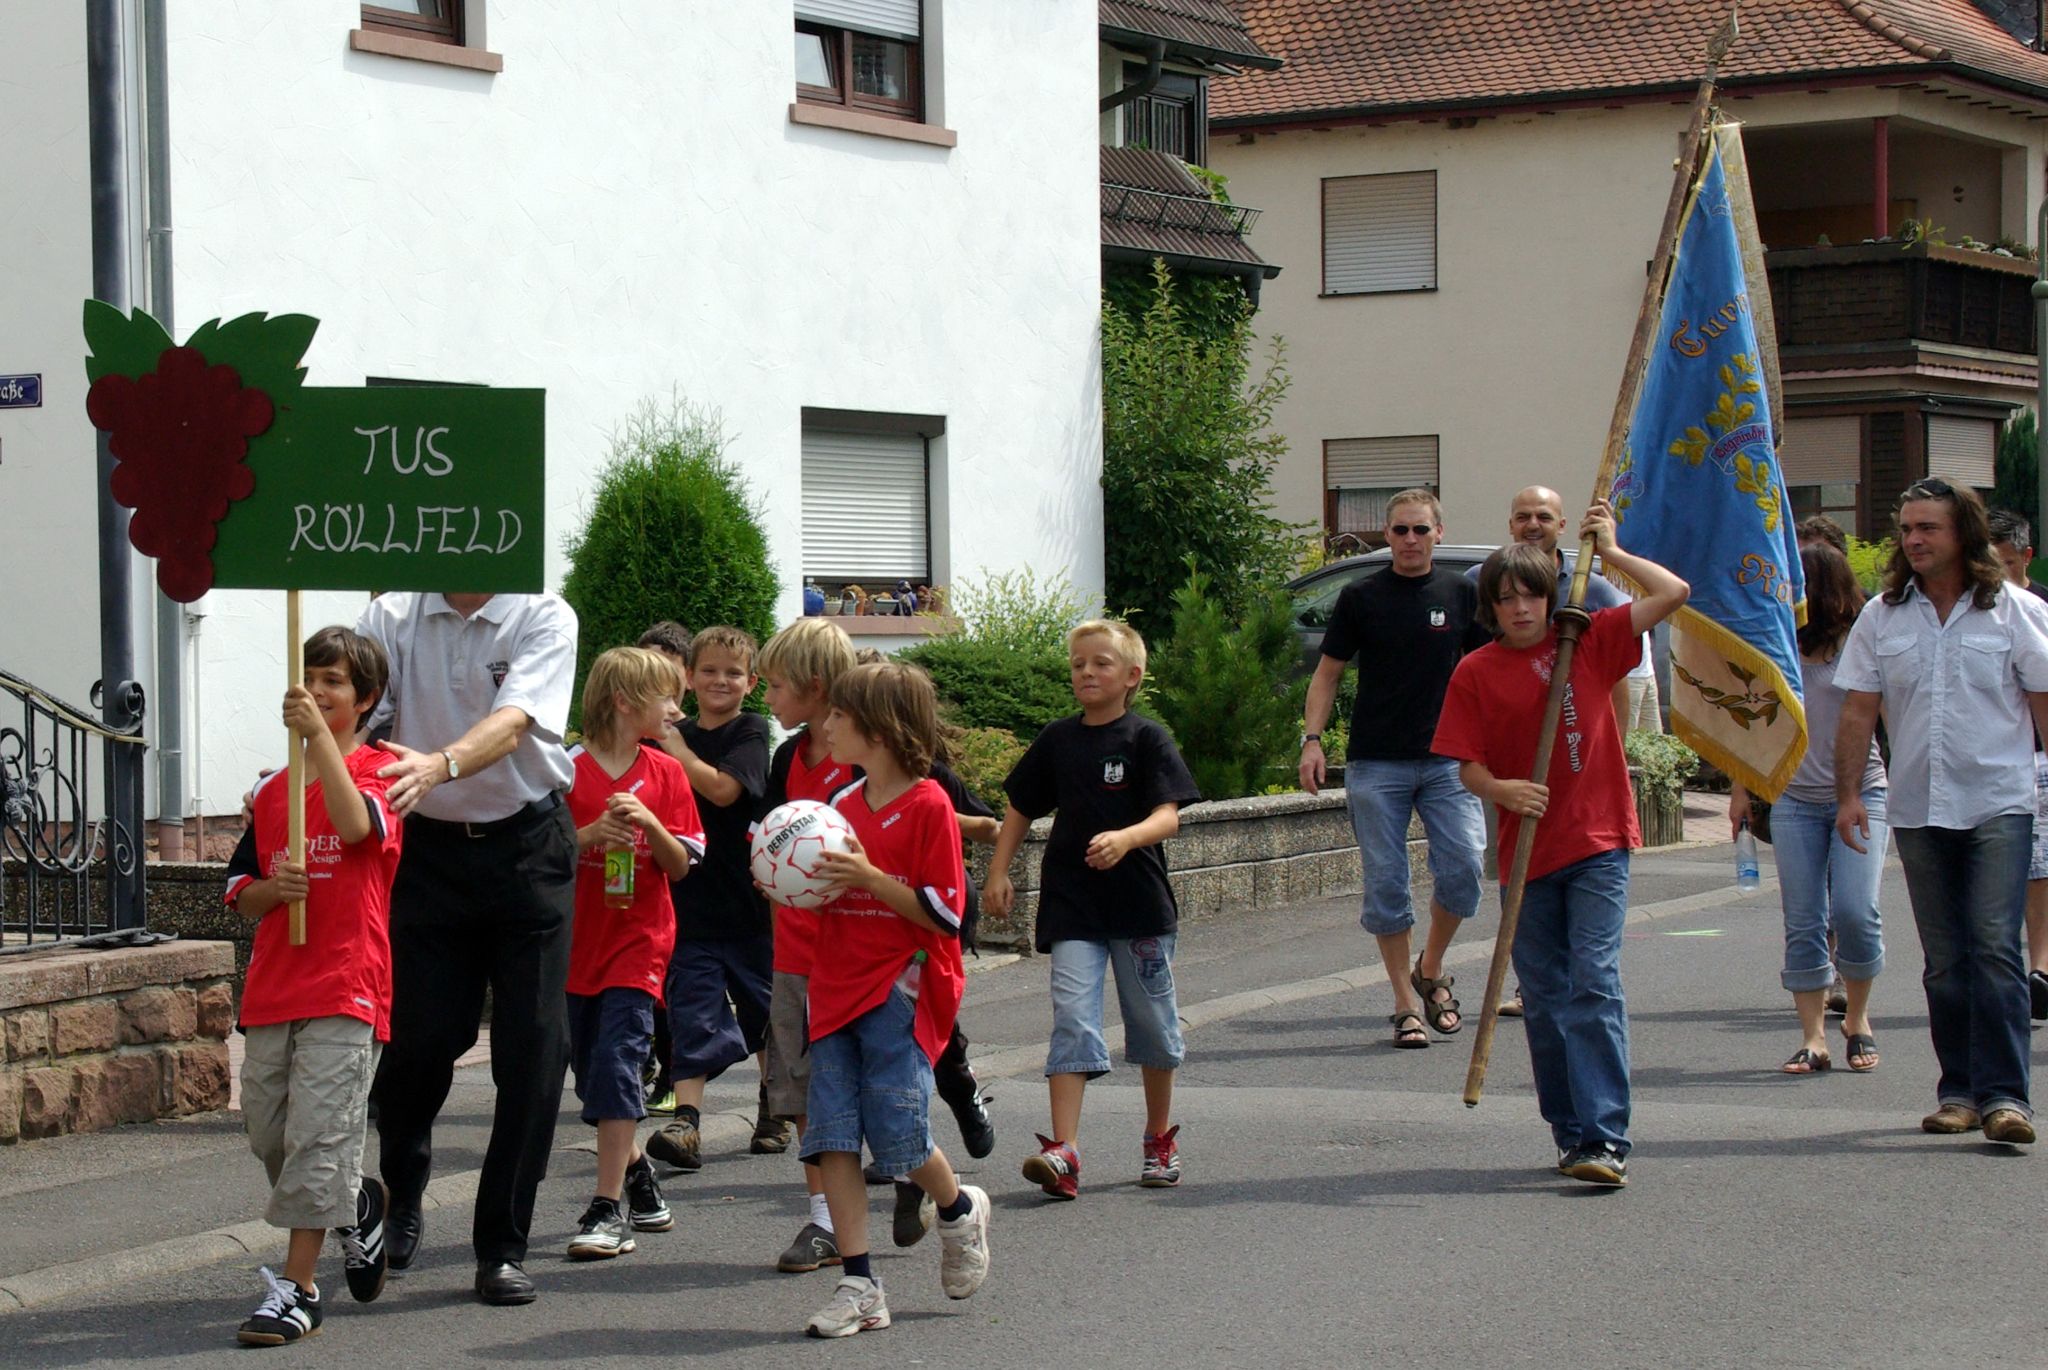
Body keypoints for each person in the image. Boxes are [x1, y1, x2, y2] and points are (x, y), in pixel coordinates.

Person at [1433, 500, 1689, 1187]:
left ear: (1551, 597)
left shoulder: (1588, 640)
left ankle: (1607, 1137)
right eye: (1506, 599)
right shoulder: (1476, 672)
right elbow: (1464, 764)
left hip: (1599, 839)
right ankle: (1571, 1133)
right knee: (1544, 998)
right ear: (1490, 607)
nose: (1520, 609)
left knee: (1593, 983)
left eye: (1530, 596)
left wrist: (1612, 551)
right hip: (1525, 855)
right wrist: (1504, 791)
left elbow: (1673, 594)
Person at [357, 589, 578, 1307]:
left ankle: (502, 1246)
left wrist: (440, 764)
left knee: (534, 1050)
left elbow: (515, 722)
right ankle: (404, 1184)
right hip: (428, 858)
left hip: (527, 848)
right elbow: (356, 718)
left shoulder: (543, 614)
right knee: (419, 1042)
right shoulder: (390, 617)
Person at [1835, 480, 2048, 1144]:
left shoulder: (2014, 610)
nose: (1914, 540)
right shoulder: (1882, 614)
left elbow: (2043, 705)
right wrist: (1848, 795)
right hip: (1920, 805)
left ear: (1963, 533)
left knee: (1993, 948)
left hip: (1999, 802)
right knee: (1946, 958)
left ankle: (2006, 1099)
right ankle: (1957, 1091)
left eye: (1928, 527)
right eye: (1906, 529)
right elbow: (1857, 711)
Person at [801, 660, 990, 1338]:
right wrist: (789, 875)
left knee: (899, 1134)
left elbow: (944, 912)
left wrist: (869, 878)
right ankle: (860, 1283)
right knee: (830, 1142)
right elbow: (825, 892)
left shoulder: (930, 803)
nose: (826, 726)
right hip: (832, 990)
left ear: (877, 729)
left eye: (839, 717)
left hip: (900, 989)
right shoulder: (841, 806)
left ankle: (959, 1208)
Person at [226, 627, 403, 1345]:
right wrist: (274, 888)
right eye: (312, 677)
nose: (320, 691)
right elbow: (239, 890)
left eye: (335, 682)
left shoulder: (382, 772)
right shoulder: (270, 790)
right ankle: (354, 1203)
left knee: (318, 1136)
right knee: (273, 1135)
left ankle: (297, 1288)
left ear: (365, 699)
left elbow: (359, 825)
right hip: (275, 987)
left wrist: (320, 742)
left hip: (346, 984)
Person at [985, 620, 1202, 1200]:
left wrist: (1127, 838)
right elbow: (1019, 808)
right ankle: (1064, 1151)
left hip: (1140, 910)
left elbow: (1169, 816)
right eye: (1079, 663)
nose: (1086, 672)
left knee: (1154, 1026)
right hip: (1072, 906)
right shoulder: (1058, 739)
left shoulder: (1146, 739)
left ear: (1131, 676)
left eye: (1101, 663)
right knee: (1073, 1020)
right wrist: (999, 871)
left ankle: (1159, 1138)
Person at [1300, 488, 1491, 1048]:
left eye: (1421, 530)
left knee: (1463, 868)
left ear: (1439, 532)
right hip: (1376, 762)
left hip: (1447, 761)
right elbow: (1327, 673)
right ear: (1386, 535)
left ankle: (1430, 967)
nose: (1411, 540)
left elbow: (1487, 672)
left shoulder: (1461, 594)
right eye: (1401, 530)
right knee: (1387, 884)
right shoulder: (1362, 596)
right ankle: (1405, 1002)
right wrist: (1313, 741)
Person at [563, 647, 703, 1258]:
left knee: (621, 1065)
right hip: (573, 948)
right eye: (667, 697)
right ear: (624, 701)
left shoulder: (666, 773)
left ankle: (604, 1209)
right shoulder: (564, 769)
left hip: (639, 945)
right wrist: (589, 835)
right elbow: (538, 858)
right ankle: (639, 1176)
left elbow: (682, 866)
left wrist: (651, 824)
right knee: (592, 1078)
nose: (678, 708)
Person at [1475, 485, 1635, 1018]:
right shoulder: (1487, 581)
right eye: (1522, 516)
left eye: (1544, 515)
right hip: (1522, 803)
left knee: (1594, 977)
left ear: (1563, 524)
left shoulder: (1592, 589)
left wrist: (1609, 747)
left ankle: (1601, 1103)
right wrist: (1495, 782)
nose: (1532, 524)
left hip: (1588, 809)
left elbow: (1617, 680)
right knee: (1546, 978)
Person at [1727, 543, 1887, 1074]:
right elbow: (1749, 723)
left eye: (1799, 583)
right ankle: (1813, 1036)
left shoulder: (1859, 642)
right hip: (1794, 798)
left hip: (1862, 794)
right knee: (1804, 919)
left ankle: (1858, 1019)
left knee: (1855, 911)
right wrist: (1742, 790)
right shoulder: (1777, 644)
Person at [642, 627, 778, 1171]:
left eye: (733, 673)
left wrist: (676, 747)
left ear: (752, 682)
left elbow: (724, 790)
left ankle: (774, 1109)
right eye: (710, 671)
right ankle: (687, 1122)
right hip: (688, 900)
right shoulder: (673, 731)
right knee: (691, 1010)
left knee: (763, 1012)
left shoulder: (751, 729)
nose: (721, 681)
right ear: (689, 678)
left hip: (748, 902)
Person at [756, 617, 862, 1275]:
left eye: (775, 686)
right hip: (793, 950)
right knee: (795, 1086)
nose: (766, 698)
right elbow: (771, 835)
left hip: (857, 954)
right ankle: (823, 1220)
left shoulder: (863, 756)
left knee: (863, 1081)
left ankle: (917, 1171)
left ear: (815, 687)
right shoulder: (785, 759)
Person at [1989, 509, 2048, 1022]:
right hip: (1996, 761)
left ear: (2025, 557)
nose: (1998, 574)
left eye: (2006, 563)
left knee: (2038, 868)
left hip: (2038, 754)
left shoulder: (2039, 607)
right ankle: (2014, 969)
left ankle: (2039, 965)